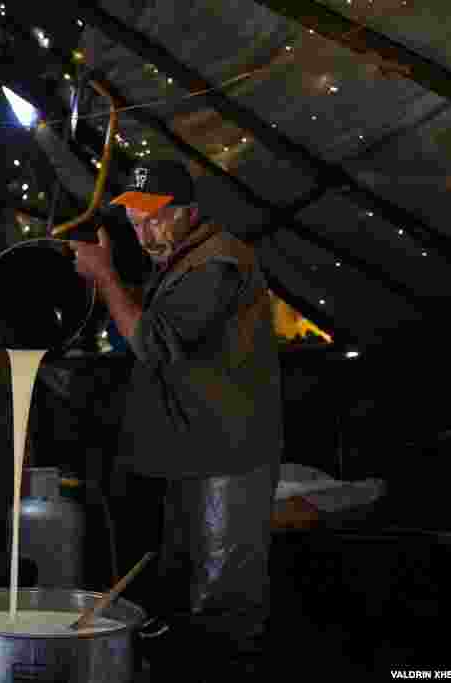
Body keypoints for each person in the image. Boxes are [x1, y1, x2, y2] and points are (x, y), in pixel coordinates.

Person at [70, 160, 282, 679]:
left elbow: (153, 343)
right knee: (186, 590)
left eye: (154, 218)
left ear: (188, 212)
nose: (144, 232)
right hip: (191, 454)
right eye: (135, 221)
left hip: (224, 458)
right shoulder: (179, 260)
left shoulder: (216, 262)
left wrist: (105, 274)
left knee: (221, 600)